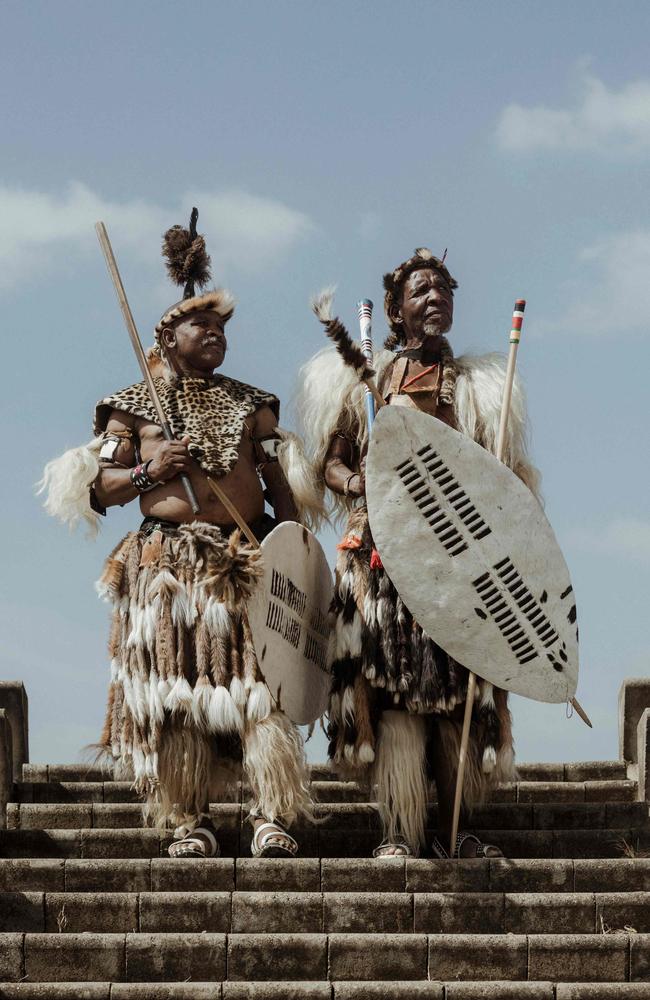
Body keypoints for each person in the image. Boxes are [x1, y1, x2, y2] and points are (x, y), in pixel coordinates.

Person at [40, 211, 320, 859]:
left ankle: (267, 814)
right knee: (178, 692)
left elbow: (279, 487)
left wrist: (296, 559)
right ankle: (186, 816)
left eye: (223, 328)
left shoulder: (255, 404)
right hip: (167, 567)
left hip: (244, 560)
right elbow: (99, 488)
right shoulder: (133, 406)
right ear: (167, 337)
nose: (216, 335)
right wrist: (150, 468)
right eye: (202, 325)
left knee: (260, 688)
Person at [298, 248, 541, 859]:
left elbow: (505, 480)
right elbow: (332, 460)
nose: (435, 298)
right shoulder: (367, 382)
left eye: (443, 290)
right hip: (382, 561)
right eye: (421, 291)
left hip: (457, 562)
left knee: (458, 694)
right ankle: (399, 831)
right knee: (390, 690)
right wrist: (358, 483)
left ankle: (457, 828)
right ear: (396, 311)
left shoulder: (484, 389)